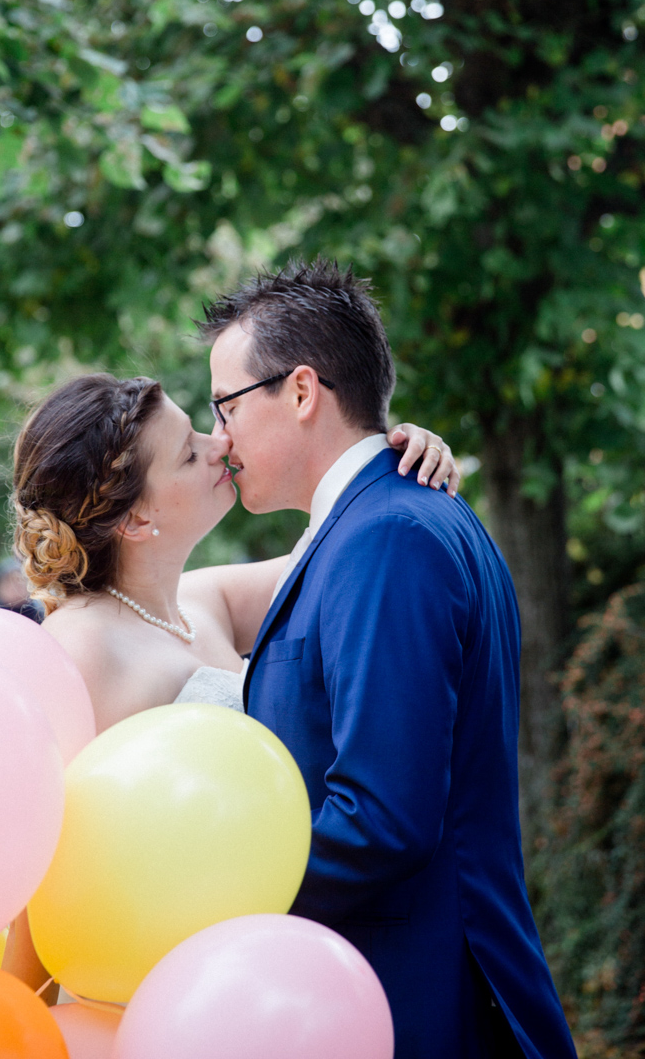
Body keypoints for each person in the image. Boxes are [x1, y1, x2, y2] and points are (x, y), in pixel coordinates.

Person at [201, 260, 576, 1059]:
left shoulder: (391, 537)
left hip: (428, 1002)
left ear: (301, 392)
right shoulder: (385, 519)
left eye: (224, 405)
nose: (220, 437)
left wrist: (213, 902)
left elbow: (383, 817)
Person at [2, 368, 457, 999]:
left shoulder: (203, 599)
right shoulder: (80, 648)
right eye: (190, 452)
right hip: (133, 986)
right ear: (136, 518)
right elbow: (42, 875)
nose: (221, 446)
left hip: (233, 973)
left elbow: (348, 546)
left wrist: (393, 458)